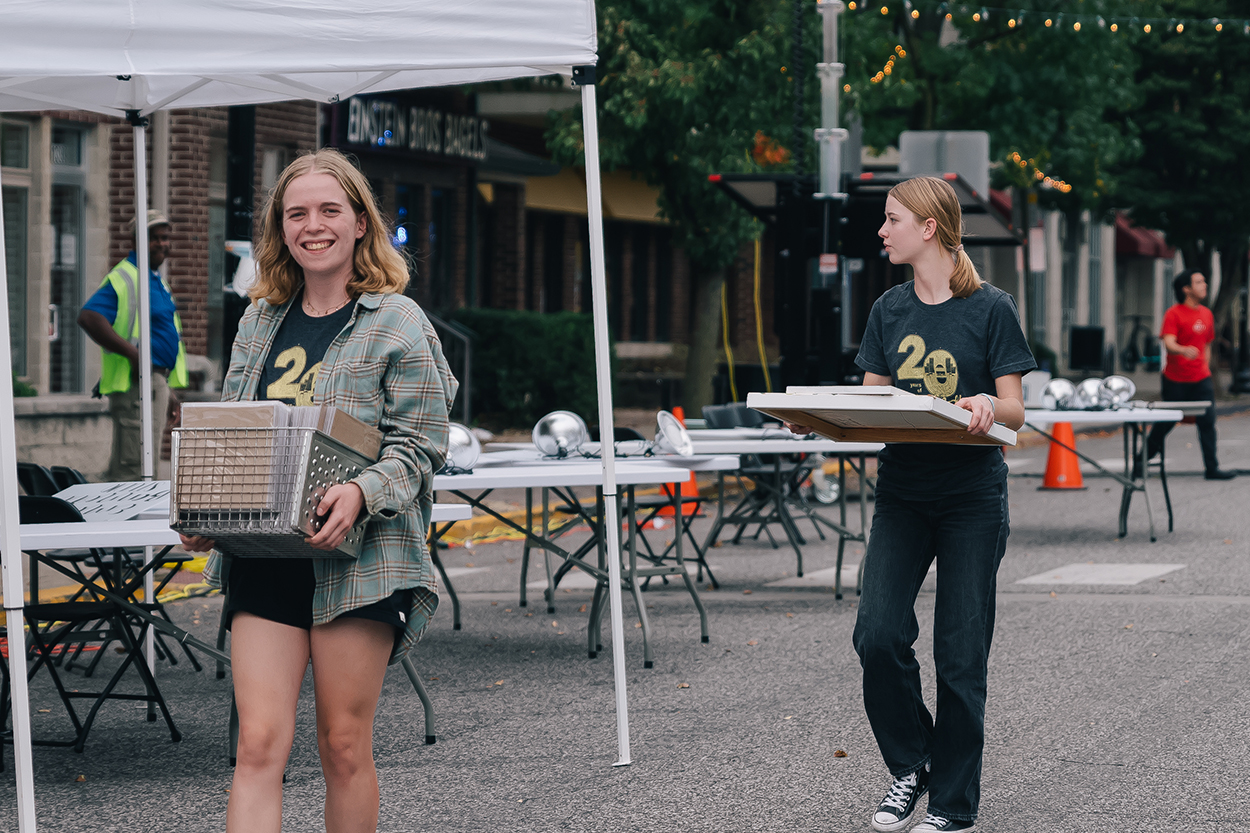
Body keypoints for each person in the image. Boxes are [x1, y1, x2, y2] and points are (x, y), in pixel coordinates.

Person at [181, 148, 457, 833]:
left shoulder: (397, 322)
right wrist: (209, 507)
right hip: (266, 553)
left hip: (360, 562)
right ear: (281, 227)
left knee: (342, 744)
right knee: (257, 743)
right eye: (296, 213)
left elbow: (421, 444)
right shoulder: (259, 320)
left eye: (330, 210)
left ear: (361, 223)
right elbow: (236, 433)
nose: (313, 226)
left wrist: (362, 491)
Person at [847, 177, 1034, 832]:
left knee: (959, 654)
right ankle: (913, 761)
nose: (882, 231)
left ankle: (953, 804)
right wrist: (815, 417)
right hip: (903, 491)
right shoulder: (888, 309)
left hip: (970, 498)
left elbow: (1016, 408)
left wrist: (987, 404)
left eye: (892, 219)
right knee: (877, 634)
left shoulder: (991, 307)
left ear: (929, 228)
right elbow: (869, 403)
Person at [78, 210, 187, 481]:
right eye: (154, 238)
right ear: (137, 241)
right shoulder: (126, 276)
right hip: (136, 385)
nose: (162, 244)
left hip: (153, 382)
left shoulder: (155, 281)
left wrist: (167, 389)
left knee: (146, 469)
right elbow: (89, 317)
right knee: (133, 470)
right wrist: (133, 354)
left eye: (165, 237)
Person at [1143, 269, 1235, 480]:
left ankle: (1212, 469)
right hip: (1175, 379)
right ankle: (1141, 461)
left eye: (1204, 281)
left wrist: (1204, 365)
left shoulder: (1206, 314)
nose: (1205, 285)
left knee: (1207, 423)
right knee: (1166, 423)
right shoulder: (1173, 314)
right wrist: (1183, 350)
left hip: (1201, 379)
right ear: (1186, 289)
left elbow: (1207, 344)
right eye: (1199, 282)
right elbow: (1168, 342)